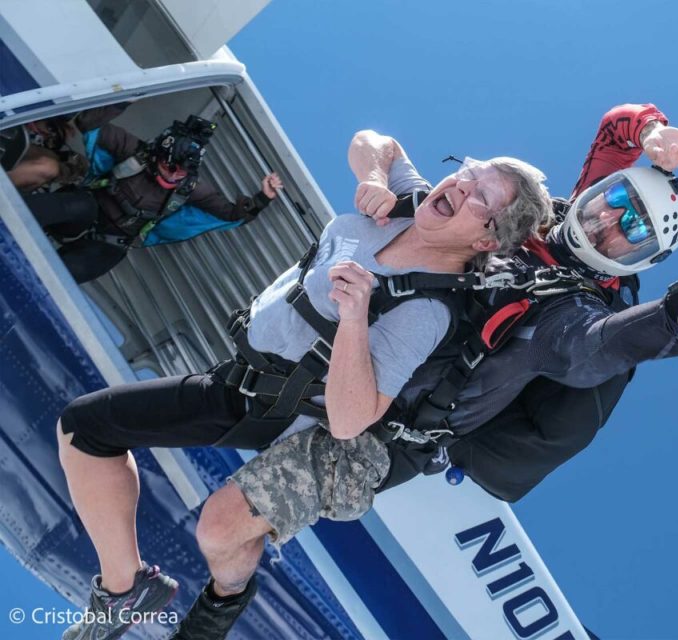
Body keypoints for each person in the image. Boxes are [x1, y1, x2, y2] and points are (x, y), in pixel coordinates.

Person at [179, 108, 678, 638]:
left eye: (633, 231)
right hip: (358, 356)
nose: (607, 223)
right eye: (615, 201)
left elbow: (599, 348)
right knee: (195, 401)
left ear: (643, 259)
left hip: (385, 433)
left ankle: (221, 600)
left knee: (222, 525)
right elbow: (613, 130)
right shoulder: (530, 219)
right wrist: (652, 134)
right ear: (595, 188)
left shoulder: (581, 305)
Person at [56, 149, 551, 640]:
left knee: (199, 514)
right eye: (466, 174)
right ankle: (124, 590)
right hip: (235, 374)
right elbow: (373, 141)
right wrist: (376, 177)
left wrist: (356, 318)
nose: (461, 187)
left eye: (479, 195)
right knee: (84, 430)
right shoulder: (409, 202)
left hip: (271, 406)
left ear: (488, 238)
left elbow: (350, 420)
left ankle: (218, 601)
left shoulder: (428, 309)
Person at [22, 107, 283, 283]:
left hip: (114, 240)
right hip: (87, 209)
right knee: (75, 205)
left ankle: (28, 281)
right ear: (157, 154)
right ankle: (11, 222)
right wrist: (125, 98)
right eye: (169, 166)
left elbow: (230, 214)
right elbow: (91, 124)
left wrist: (262, 198)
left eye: (181, 171)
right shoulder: (135, 149)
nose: (173, 175)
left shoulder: (192, 188)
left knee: (69, 273)